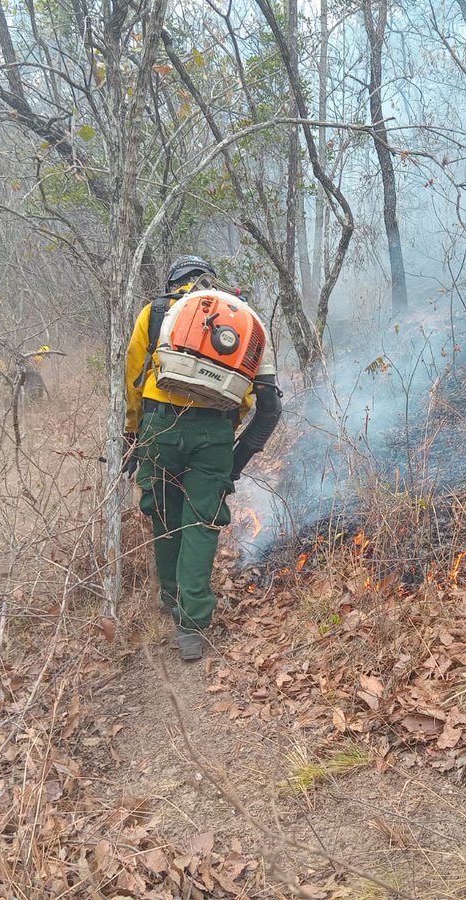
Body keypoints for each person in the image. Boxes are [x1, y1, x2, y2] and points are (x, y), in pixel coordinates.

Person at [123, 256, 283, 661]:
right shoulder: (247, 323)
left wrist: (135, 431)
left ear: (175, 281)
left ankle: (170, 596)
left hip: (159, 426)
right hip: (214, 431)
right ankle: (191, 627)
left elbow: (133, 376)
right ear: (213, 285)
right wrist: (233, 453)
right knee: (202, 522)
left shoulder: (156, 312)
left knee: (164, 514)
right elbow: (268, 405)